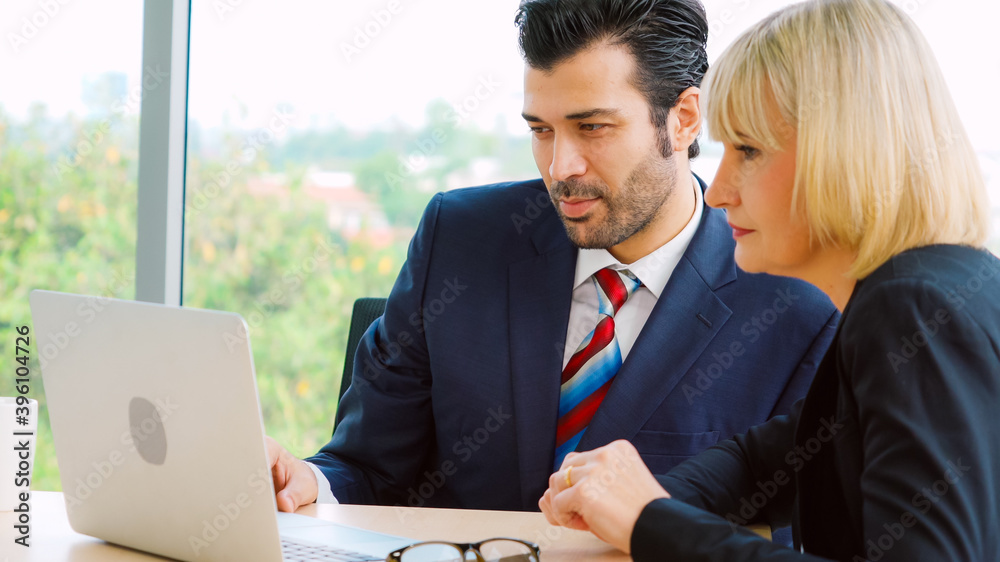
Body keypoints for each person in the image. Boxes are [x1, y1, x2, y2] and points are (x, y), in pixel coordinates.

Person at [266, 0, 838, 516]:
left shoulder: (794, 301)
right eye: (542, 130)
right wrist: (308, 481)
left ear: (684, 119)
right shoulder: (459, 240)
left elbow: (787, 531)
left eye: (593, 127)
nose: (561, 166)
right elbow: (365, 467)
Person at [538, 0, 1000, 559]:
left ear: (845, 153)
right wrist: (621, 495)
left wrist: (649, 521)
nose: (718, 190)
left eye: (749, 150)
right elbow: (773, 458)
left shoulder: (910, 307)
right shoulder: (928, 287)